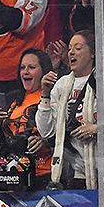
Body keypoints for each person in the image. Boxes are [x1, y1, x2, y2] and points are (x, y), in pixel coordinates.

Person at [36, 31, 100, 189]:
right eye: (70, 48)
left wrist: (97, 129)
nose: (71, 52)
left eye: (78, 48)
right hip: (77, 174)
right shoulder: (61, 85)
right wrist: (45, 94)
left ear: (93, 53)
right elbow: (46, 132)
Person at [0, 49, 54, 190]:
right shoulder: (13, 99)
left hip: (43, 173)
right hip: (12, 173)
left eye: (31, 67)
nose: (25, 72)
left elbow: (64, 133)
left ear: (44, 71)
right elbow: (1, 142)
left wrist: (46, 142)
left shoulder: (52, 97)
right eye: (22, 68)